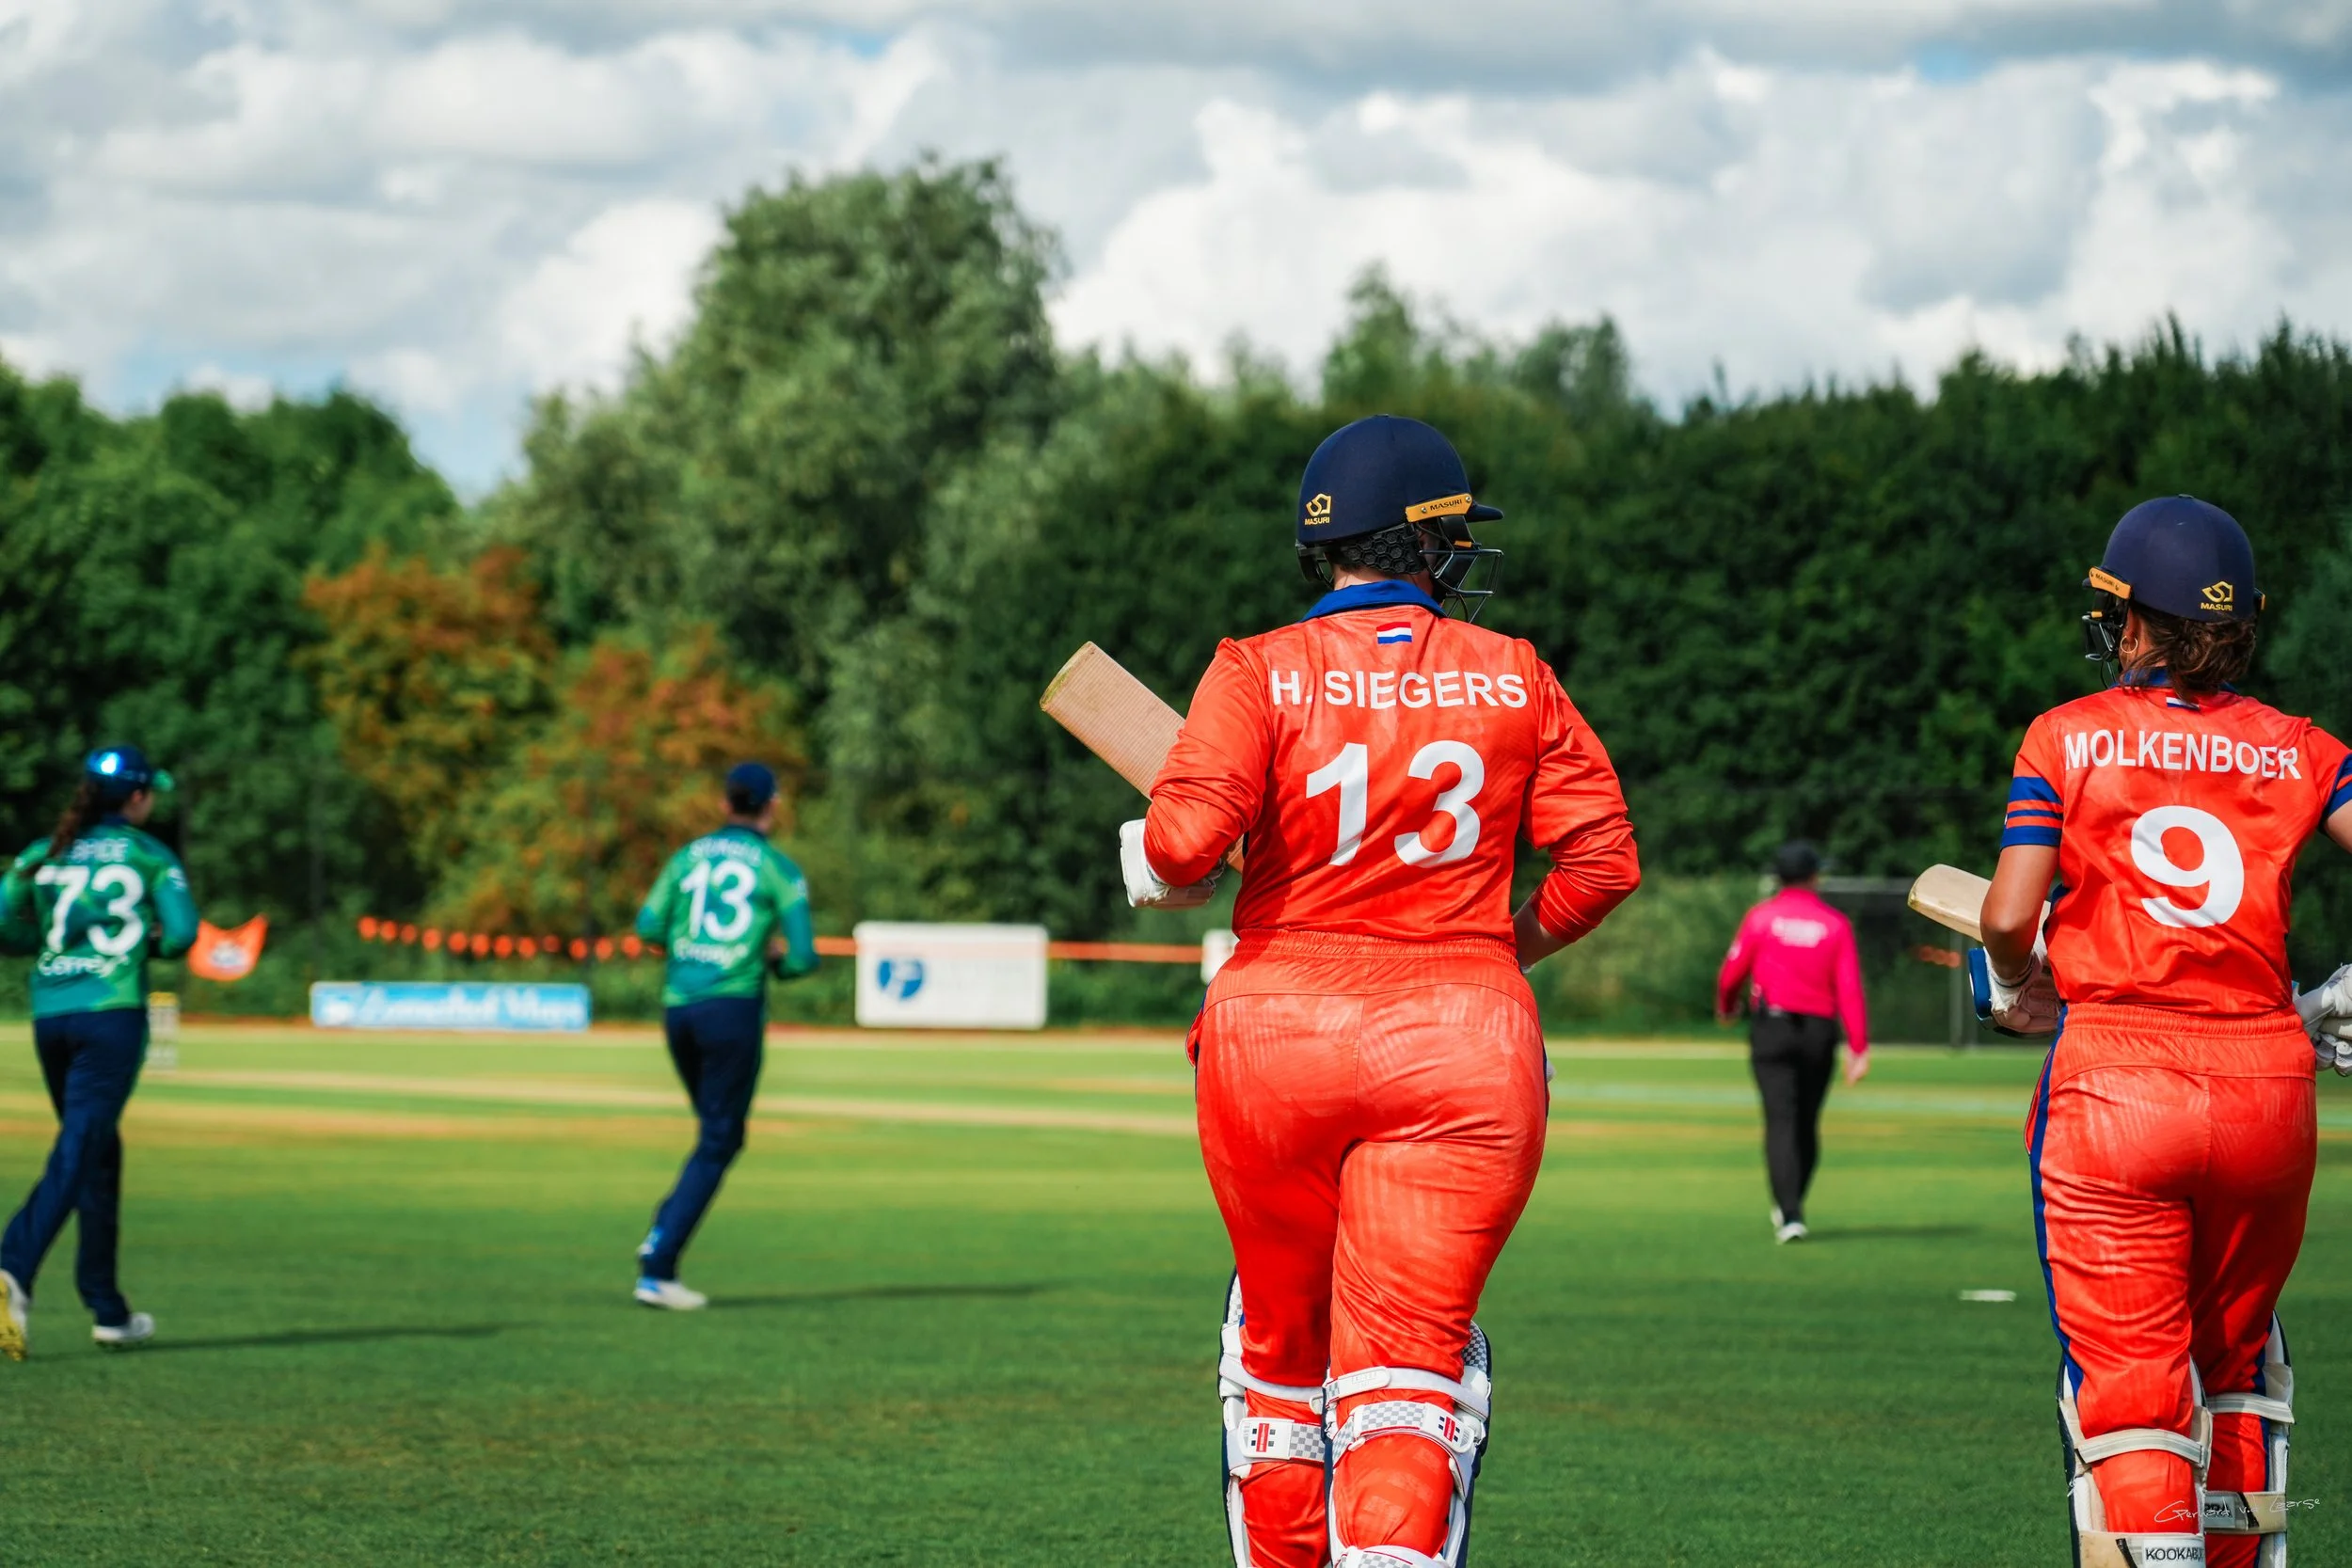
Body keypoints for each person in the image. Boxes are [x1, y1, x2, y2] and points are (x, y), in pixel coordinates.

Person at [1129, 415, 1640, 1568]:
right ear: (1424, 540)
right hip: (1463, 1035)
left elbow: (1178, 854)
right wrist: (1495, 947)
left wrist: (1140, 851)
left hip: (1276, 1034)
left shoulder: (1253, 667)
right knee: (1407, 1372)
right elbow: (1605, 858)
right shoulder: (1513, 670)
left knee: (1277, 1348)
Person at [1978, 496, 2352, 1568]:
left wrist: (2012, 979)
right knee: (2236, 1364)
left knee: (2134, 1379)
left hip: (2116, 1084)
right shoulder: (2303, 744)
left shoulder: (2064, 732)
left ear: (2136, 619)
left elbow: (2008, 912)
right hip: (2269, 1086)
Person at [0, 747, 199, 1360]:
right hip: (111, 1014)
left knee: (98, 1149)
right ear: (136, 797)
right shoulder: (149, 853)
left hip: (51, 1015)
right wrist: (145, 945)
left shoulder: (43, 851)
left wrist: (58, 946)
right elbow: (186, 932)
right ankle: (11, 1269)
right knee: (81, 1144)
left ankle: (108, 1309)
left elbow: (8, 926)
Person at [630, 761, 818, 1310]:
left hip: (679, 1010)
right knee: (721, 1139)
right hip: (731, 1012)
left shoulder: (687, 856)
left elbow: (647, 928)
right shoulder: (777, 867)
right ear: (772, 805)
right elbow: (804, 957)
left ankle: (663, 1232)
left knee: (714, 1133)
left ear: (724, 803)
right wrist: (773, 962)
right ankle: (658, 1263)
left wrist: (691, 954)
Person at [1714, 840, 1869, 1243]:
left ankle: (1790, 1214)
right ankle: (1792, 1202)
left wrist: (1727, 1008)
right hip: (1819, 1032)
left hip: (1773, 1028)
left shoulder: (1761, 918)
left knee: (1780, 1120)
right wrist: (1858, 1046)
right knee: (1806, 1122)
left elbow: (1731, 972)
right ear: (1814, 876)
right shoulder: (1835, 924)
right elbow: (1849, 987)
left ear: (1777, 876)